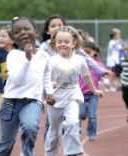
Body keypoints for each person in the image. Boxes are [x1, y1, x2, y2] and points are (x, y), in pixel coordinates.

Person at [0, 17, 49, 156]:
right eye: (18, 31)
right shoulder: (13, 55)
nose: (23, 33)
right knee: (5, 144)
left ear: (36, 32)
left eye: (26, 29)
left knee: (30, 126)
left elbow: (46, 76)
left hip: (32, 100)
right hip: (11, 102)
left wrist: (50, 92)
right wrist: (28, 59)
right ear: (13, 38)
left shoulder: (44, 55)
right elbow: (17, 79)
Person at [40, 14, 113, 142]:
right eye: (53, 26)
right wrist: (41, 95)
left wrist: (101, 71)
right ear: (47, 31)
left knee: (71, 119)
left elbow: (87, 60)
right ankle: (49, 148)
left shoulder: (72, 45)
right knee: (51, 123)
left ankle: (71, 149)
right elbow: (39, 68)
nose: (57, 27)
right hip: (52, 90)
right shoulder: (44, 47)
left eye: (60, 25)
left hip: (69, 90)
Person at [43, 26, 103, 156]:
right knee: (55, 131)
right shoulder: (51, 61)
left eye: (66, 41)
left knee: (72, 123)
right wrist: (50, 88)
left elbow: (86, 76)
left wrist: (94, 90)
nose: (62, 44)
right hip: (55, 99)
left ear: (73, 43)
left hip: (72, 96)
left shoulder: (79, 60)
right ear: (54, 44)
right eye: (59, 42)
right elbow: (44, 79)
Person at [79, 41, 104, 140]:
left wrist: (105, 79)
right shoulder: (79, 63)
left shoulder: (97, 64)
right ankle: (80, 123)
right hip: (80, 93)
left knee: (92, 115)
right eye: (85, 52)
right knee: (81, 113)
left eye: (89, 52)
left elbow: (102, 72)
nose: (87, 55)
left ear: (94, 52)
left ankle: (91, 133)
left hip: (94, 93)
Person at [106, 28, 125, 92]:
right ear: (114, 35)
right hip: (113, 61)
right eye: (118, 34)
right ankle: (111, 86)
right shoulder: (112, 42)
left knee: (119, 74)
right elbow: (112, 51)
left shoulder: (120, 41)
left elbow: (123, 49)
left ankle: (118, 86)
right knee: (112, 74)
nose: (119, 36)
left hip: (119, 61)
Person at [120, 47, 128, 122]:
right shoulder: (122, 59)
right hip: (124, 82)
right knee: (125, 98)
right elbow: (120, 69)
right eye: (126, 50)